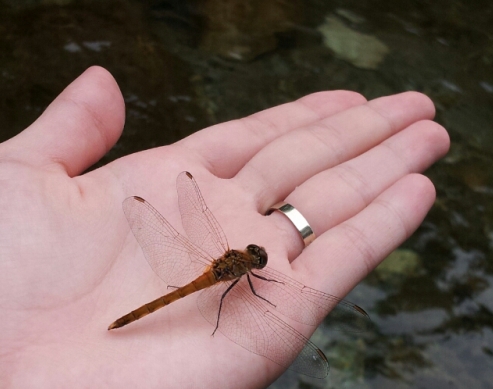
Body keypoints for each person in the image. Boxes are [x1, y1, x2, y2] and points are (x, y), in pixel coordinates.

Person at [0, 66, 449, 388]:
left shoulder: (226, 257)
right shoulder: (246, 275)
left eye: (254, 257)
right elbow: (251, 293)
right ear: (251, 261)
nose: (255, 259)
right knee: (224, 301)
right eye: (256, 257)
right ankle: (130, 320)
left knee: (189, 296)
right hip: (198, 284)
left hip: (200, 275)